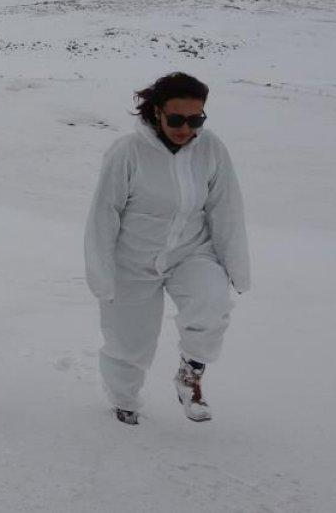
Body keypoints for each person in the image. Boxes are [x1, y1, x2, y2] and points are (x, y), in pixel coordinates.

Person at [84, 72, 250, 425]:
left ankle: (190, 375)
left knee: (212, 303)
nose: (186, 128)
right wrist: (102, 275)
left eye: (196, 119)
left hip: (190, 251)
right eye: (176, 119)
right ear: (157, 112)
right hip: (132, 260)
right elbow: (104, 215)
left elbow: (226, 207)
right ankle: (124, 400)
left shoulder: (211, 149)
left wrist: (236, 266)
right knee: (128, 342)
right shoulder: (127, 153)